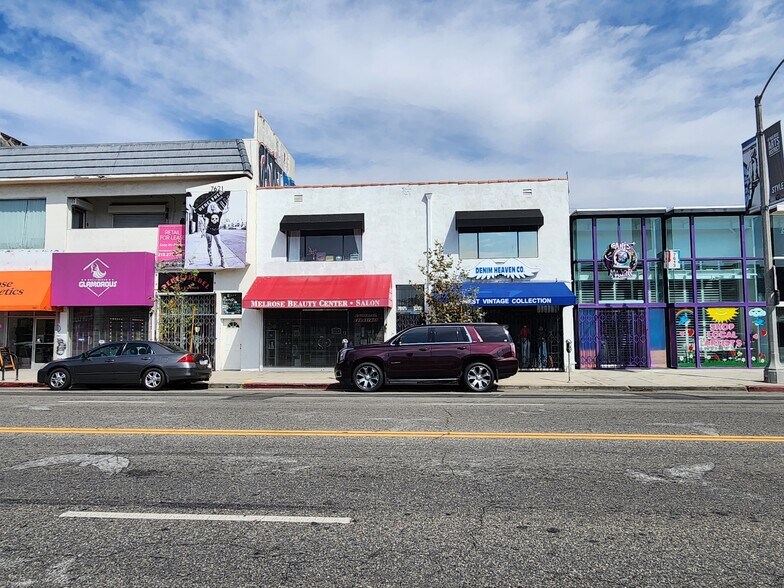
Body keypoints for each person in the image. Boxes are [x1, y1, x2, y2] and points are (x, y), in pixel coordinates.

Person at [200, 200, 229, 267]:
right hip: (209, 231)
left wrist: (227, 202)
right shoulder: (208, 214)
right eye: (211, 206)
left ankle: (222, 260)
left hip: (216, 231)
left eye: (214, 205)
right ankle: (211, 260)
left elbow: (227, 210)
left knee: (219, 245)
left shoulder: (219, 213)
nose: (213, 207)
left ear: (216, 206)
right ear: (210, 207)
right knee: (209, 245)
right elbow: (200, 214)